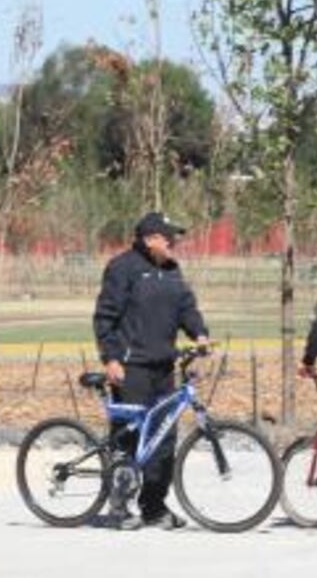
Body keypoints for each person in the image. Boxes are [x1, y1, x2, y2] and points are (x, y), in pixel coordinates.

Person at [93, 211, 210, 530]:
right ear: (150, 239)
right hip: (131, 368)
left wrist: (199, 332)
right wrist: (111, 358)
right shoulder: (123, 268)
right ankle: (119, 507)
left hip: (163, 368)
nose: (175, 242)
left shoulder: (172, 270)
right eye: (168, 237)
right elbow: (105, 317)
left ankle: (154, 507)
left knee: (164, 441)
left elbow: (187, 307)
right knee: (128, 440)